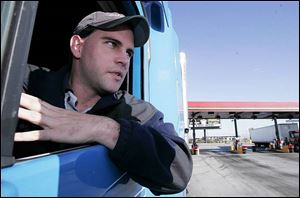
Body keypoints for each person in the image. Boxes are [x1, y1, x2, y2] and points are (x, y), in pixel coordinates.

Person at [14, 11, 193, 195]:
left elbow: (179, 171)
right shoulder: (28, 82)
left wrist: (107, 130)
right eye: (112, 44)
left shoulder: (134, 110)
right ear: (77, 46)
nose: (124, 60)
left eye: (129, 52)